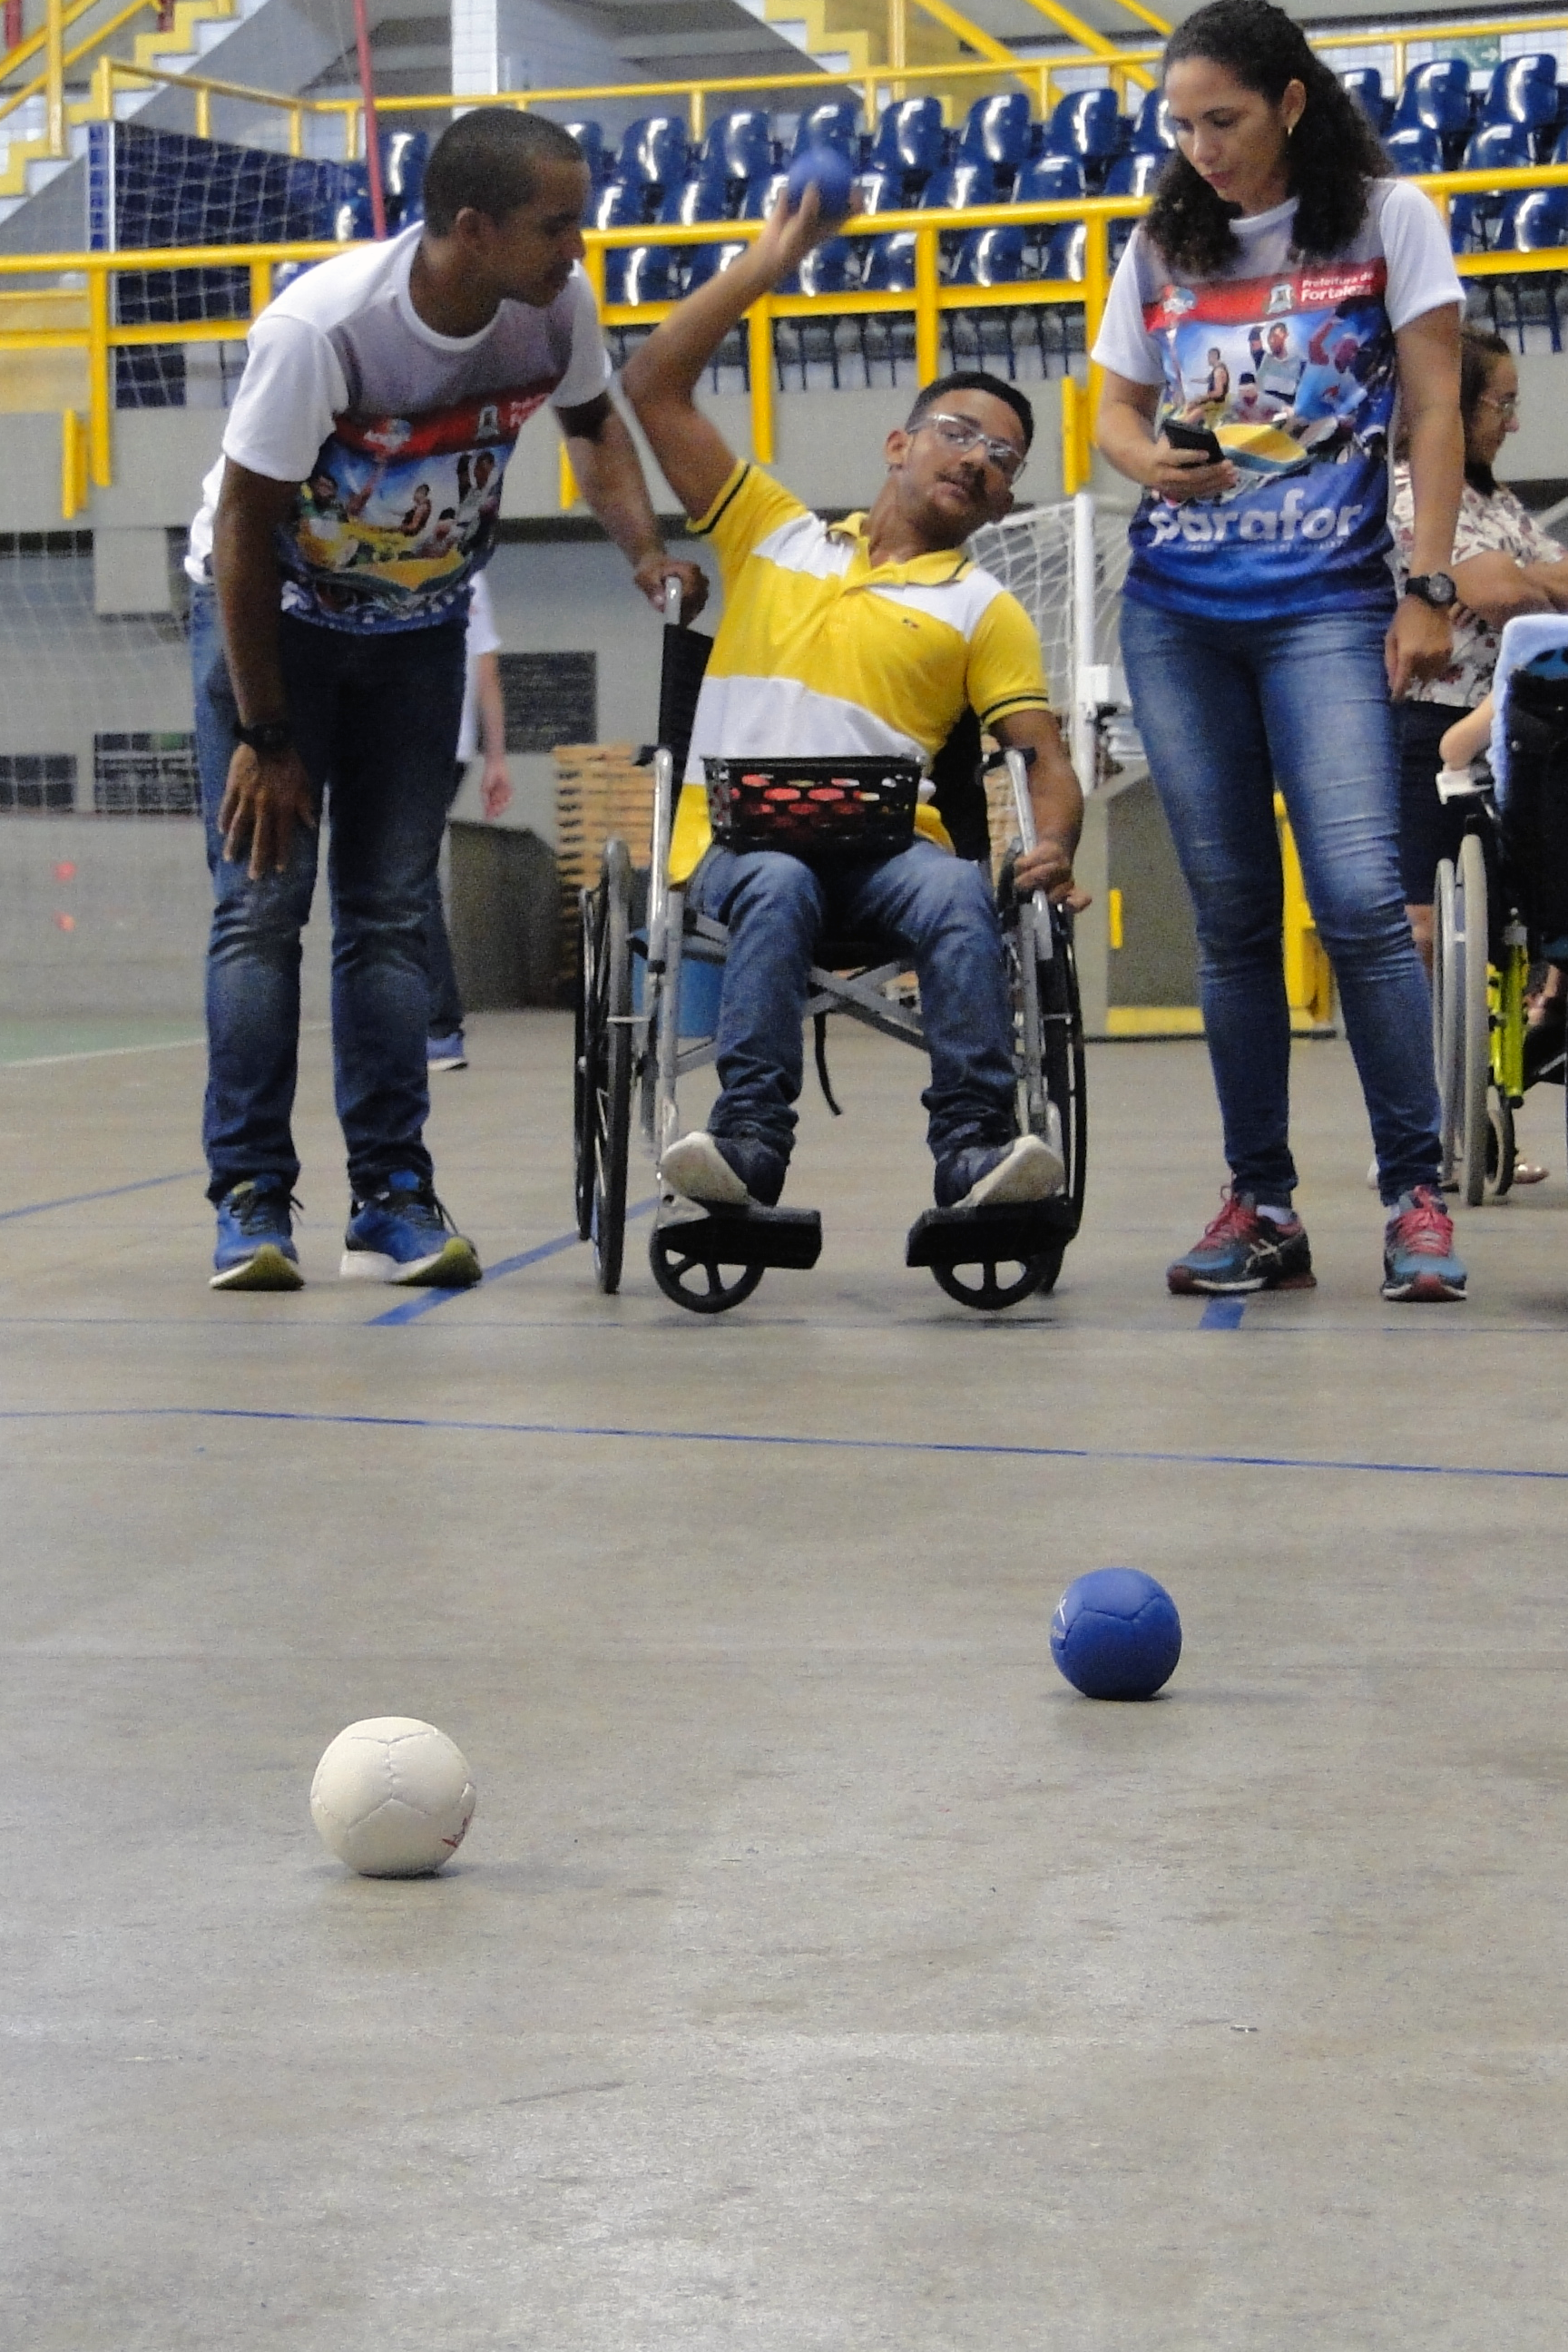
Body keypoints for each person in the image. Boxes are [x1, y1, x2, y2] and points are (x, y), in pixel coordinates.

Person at [186, 107, 704, 1290]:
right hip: (281, 632)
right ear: (471, 228)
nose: (577, 247)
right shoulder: (329, 329)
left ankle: (393, 1199)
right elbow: (242, 532)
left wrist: (640, 550)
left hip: (417, 634)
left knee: (387, 915)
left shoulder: (555, 310)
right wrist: (266, 733)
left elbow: (594, 432)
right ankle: (252, 1201)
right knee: (263, 907)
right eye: (555, 224)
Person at [1093, 0, 1469, 1304]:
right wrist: (1155, 464)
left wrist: (1425, 585)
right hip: (1179, 613)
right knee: (1235, 919)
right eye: (1181, 122)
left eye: (1225, 119)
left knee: (1364, 903)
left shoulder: (1385, 219)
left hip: (1329, 606)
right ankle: (1261, 1202)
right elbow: (1115, 418)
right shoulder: (1160, 244)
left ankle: (1415, 1194)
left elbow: (1433, 410)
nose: (1200, 146)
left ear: (1291, 104)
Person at [621, 191, 1084, 1220]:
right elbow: (650, 386)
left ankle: (974, 1150)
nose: (976, 458)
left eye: (1001, 457)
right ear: (897, 444)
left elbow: (1040, 753)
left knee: (963, 892)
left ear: (1005, 499)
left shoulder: (983, 607)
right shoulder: (770, 533)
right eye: (958, 434)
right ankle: (749, 1144)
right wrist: (770, 257)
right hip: (741, 847)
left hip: (889, 858)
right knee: (780, 882)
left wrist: (1051, 845)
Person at [426, 570, 512, 1073]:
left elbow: (486, 673)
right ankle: (429, 1024)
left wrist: (497, 759)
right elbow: (488, 674)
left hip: (430, 749)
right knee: (406, 880)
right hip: (446, 752)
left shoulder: (468, 577)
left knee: (407, 882)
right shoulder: (473, 575)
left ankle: (438, 1027)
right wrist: (495, 758)